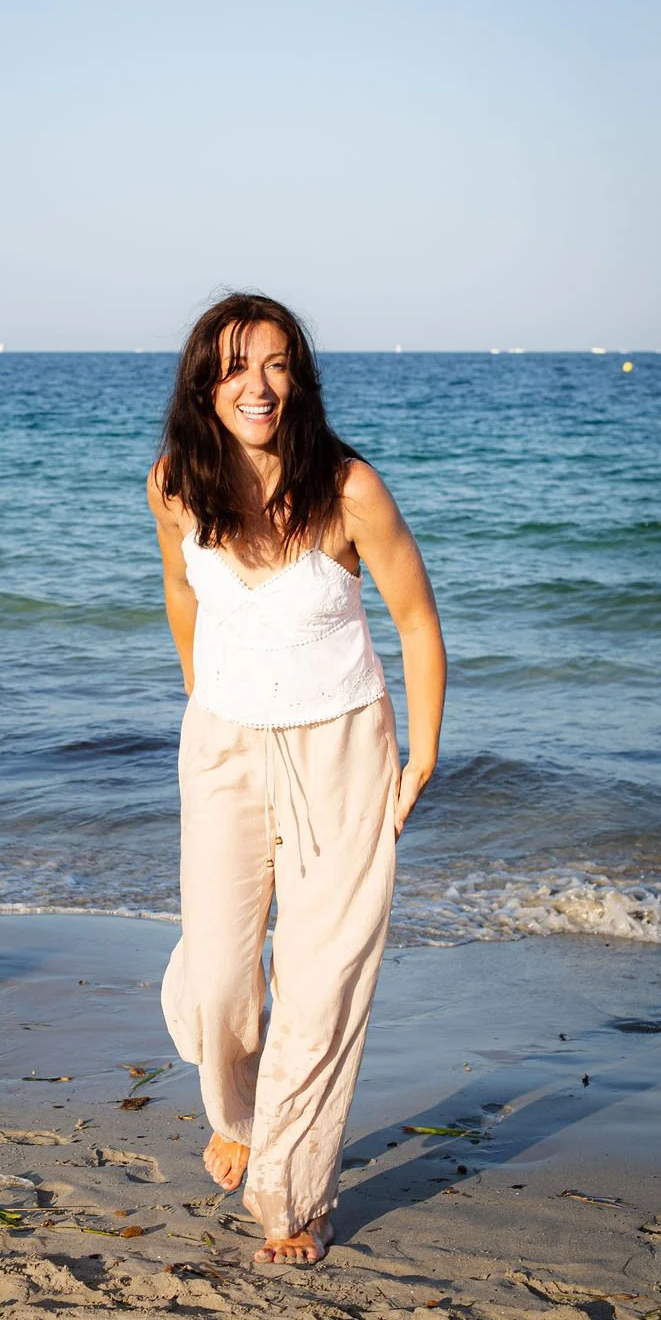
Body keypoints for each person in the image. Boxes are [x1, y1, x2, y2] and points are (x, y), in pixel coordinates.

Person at [147, 292, 446, 1266]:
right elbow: (182, 595)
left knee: (321, 987)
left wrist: (423, 753)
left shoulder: (349, 490)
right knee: (219, 979)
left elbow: (415, 620)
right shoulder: (175, 486)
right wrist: (204, 705)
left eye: (277, 364)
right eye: (236, 366)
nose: (258, 386)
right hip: (224, 748)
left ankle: (293, 1195)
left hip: (342, 752)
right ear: (205, 383)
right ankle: (238, 1113)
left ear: (300, 379)